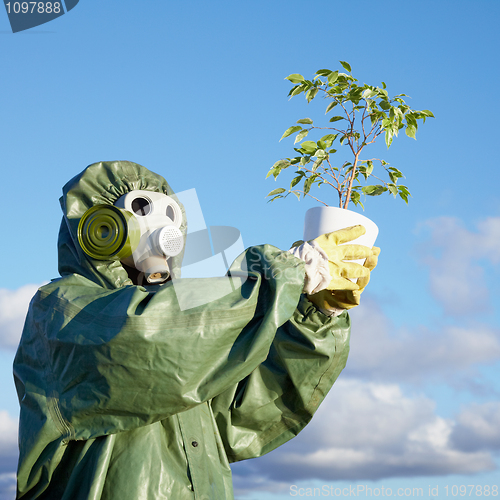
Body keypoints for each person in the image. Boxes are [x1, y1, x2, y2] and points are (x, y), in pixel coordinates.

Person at [14, 160, 379, 499]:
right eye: (143, 210)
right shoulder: (62, 310)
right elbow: (149, 338)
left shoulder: (192, 344)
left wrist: (313, 315)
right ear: (101, 225)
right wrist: (281, 276)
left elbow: (248, 414)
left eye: (170, 215)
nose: (162, 228)